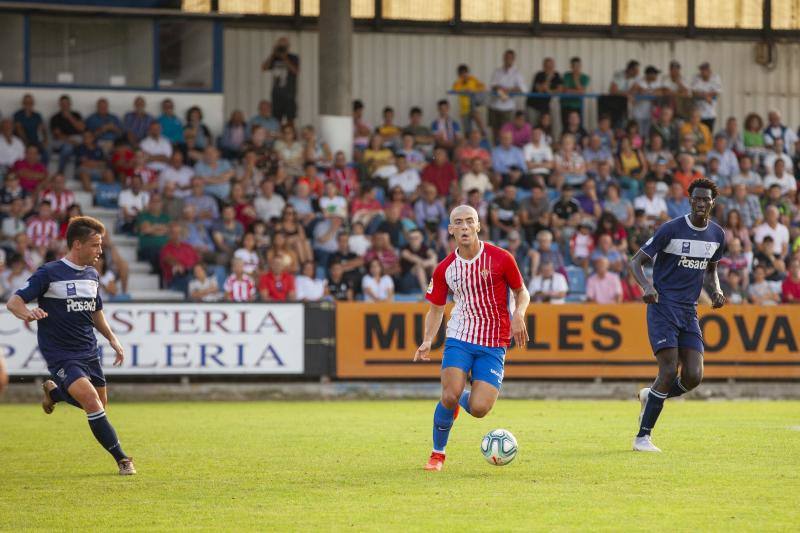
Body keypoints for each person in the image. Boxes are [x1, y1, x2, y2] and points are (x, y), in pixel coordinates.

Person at [6, 216, 136, 475]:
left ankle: (54, 394)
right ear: (77, 244)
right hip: (61, 353)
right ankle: (123, 460)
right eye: (95, 245)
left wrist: (112, 339)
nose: (100, 251)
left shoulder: (92, 275)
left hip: (88, 350)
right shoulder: (49, 273)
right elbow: (14, 302)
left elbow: (95, 311)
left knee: (99, 402)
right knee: (90, 401)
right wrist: (28, 313)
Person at [413, 205, 529, 472]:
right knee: (449, 394)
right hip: (460, 336)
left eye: (469, 222)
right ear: (451, 229)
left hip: (493, 341)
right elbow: (436, 308)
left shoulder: (501, 258)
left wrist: (519, 314)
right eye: (458, 222)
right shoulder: (445, 269)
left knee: (478, 409)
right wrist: (428, 339)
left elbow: (521, 292)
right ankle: (437, 454)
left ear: (478, 226)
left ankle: (457, 399)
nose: (464, 227)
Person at [628, 177, 725, 453]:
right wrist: (646, 285)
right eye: (696, 198)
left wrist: (717, 290)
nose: (701, 203)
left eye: (706, 199)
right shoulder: (670, 229)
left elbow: (711, 270)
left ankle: (651, 395)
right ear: (689, 200)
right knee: (668, 370)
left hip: (689, 310)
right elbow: (636, 261)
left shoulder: (717, 235)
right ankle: (642, 438)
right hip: (662, 307)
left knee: (694, 376)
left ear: (712, 203)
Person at [488, 49, 526, 143]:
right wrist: (500, 88)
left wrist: (509, 90)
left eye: (510, 58)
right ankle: (495, 150)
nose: (507, 59)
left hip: (507, 107)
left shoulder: (517, 73)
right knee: (494, 131)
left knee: (505, 132)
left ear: (513, 59)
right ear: (503, 58)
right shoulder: (497, 71)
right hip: (494, 105)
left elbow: (523, 89)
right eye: (506, 57)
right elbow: (492, 85)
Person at [261, 36, 300, 126]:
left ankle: (291, 138)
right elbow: (264, 68)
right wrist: (273, 53)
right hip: (276, 94)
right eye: (280, 45)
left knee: (290, 120)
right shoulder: (274, 58)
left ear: (288, 47)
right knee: (276, 120)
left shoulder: (293, 57)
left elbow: (296, 71)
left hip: (289, 94)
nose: (282, 48)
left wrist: (284, 57)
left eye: (284, 46)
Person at [451, 64, 487, 136]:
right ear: (459, 75)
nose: (464, 75)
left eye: (465, 73)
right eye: (461, 73)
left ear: (468, 73)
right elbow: (455, 89)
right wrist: (464, 89)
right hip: (464, 110)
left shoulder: (473, 79)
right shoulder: (457, 83)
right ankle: (468, 142)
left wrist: (474, 90)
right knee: (467, 131)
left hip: (473, 106)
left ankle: (483, 134)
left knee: (478, 119)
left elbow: (483, 87)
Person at [691, 62, 722, 133]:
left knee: (708, 135)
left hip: (710, 114)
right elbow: (694, 92)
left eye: (704, 70)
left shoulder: (715, 78)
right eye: (701, 70)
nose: (702, 72)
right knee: (697, 134)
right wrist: (706, 96)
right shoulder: (696, 78)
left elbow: (716, 93)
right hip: (698, 114)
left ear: (709, 70)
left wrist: (702, 94)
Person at [560, 57, 590, 128]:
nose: (576, 68)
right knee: (566, 126)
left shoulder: (585, 77)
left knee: (578, 126)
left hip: (578, 105)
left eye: (578, 66)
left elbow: (582, 92)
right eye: (574, 66)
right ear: (571, 66)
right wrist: (577, 91)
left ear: (580, 66)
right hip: (565, 105)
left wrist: (576, 79)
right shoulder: (566, 75)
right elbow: (565, 90)